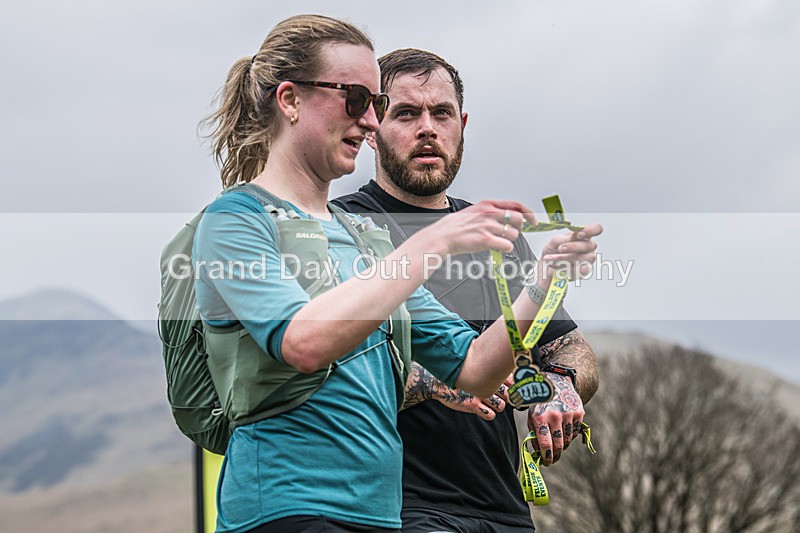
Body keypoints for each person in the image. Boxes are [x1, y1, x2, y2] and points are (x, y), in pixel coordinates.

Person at [194, 15, 602, 533]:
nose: (369, 120)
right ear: (290, 100)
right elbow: (304, 345)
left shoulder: (361, 238)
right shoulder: (239, 218)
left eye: (374, 103)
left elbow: (475, 365)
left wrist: (546, 280)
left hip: (397, 511)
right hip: (298, 507)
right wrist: (435, 243)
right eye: (361, 101)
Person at [334, 48, 600, 532]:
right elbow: (335, 373)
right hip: (395, 509)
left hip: (504, 508)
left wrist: (561, 383)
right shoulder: (344, 228)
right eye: (406, 114)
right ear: (372, 126)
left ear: (462, 125)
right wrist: (446, 379)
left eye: (442, 113)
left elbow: (568, 347)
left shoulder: (496, 235)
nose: (427, 129)